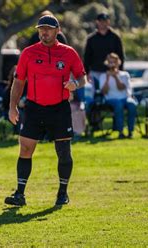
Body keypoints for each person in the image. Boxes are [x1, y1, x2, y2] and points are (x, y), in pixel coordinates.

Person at [5, 15, 87, 206]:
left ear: (57, 30)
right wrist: (12, 107)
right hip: (34, 108)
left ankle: (62, 193)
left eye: (49, 29)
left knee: (63, 152)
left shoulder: (69, 53)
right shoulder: (28, 53)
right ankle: (19, 194)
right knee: (25, 149)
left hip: (60, 109)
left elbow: (83, 78)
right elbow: (18, 82)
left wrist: (75, 84)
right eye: (41, 29)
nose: (44, 32)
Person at [84, 13, 125, 94]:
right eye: (101, 21)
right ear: (97, 22)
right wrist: (86, 73)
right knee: (94, 98)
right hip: (95, 73)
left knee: (110, 97)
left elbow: (120, 56)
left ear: (108, 22)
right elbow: (87, 57)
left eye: (105, 21)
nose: (103, 23)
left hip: (111, 73)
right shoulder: (91, 39)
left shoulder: (115, 38)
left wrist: (119, 71)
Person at [99, 53, 137, 138]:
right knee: (119, 105)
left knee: (132, 105)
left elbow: (122, 88)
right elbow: (104, 91)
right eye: (110, 62)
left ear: (118, 63)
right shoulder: (103, 76)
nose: (112, 64)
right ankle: (120, 131)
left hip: (125, 97)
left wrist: (116, 77)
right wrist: (108, 78)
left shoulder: (124, 75)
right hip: (111, 99)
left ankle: (131, 131)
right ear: (107, 63)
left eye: (114, 62)